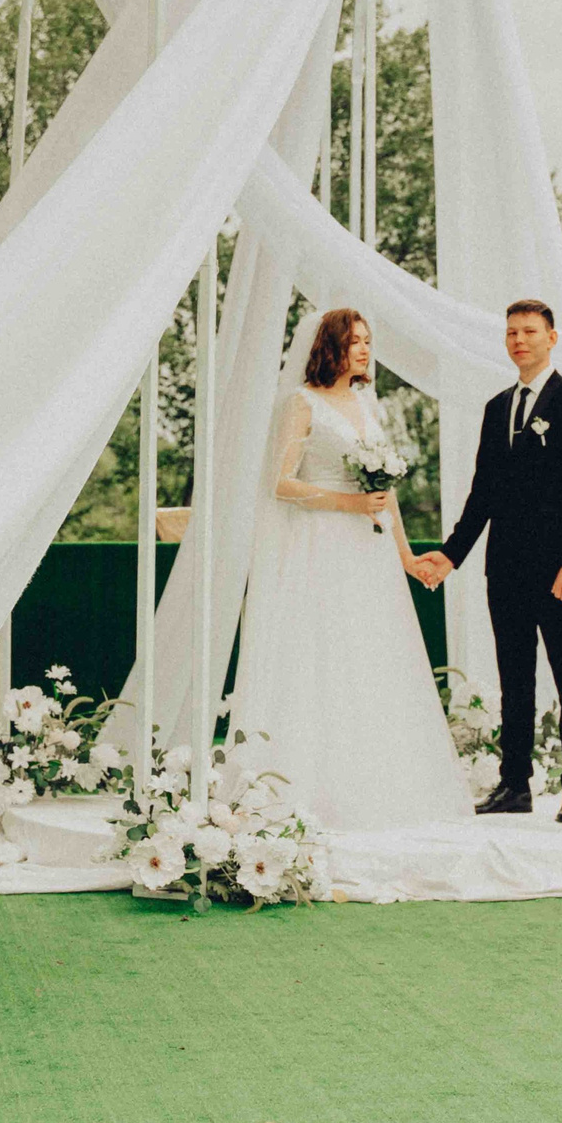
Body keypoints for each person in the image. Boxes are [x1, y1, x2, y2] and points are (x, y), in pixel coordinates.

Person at [223, 308, 474, 832]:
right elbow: (280, 484)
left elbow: (386, 496)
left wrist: (405, 556)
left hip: (371, 551)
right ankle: (314, 788)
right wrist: (346, 504)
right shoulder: (302, 403)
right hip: (322, 545)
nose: (364, 349)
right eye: (354, 341)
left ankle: (379, 786)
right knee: (326, 657)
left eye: (367, 341)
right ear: (329, 346)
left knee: (374, 656)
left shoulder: (366, 401)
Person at [410, 299, 562, 823]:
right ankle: (514, 784)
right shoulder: (497, 408)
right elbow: (483, 493)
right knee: (515, 679)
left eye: (530, 331)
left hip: (559, 570)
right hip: (506, 568)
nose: (519, 340)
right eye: (512, 332)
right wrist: (451, 555)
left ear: (551, 338)